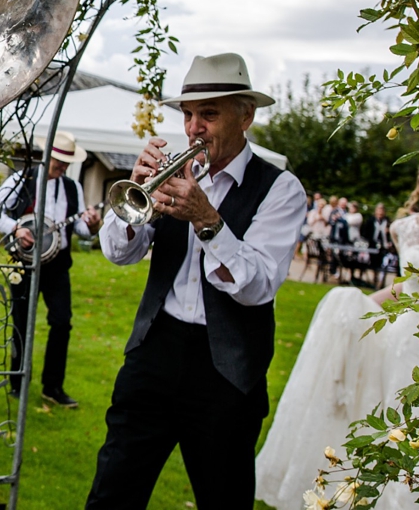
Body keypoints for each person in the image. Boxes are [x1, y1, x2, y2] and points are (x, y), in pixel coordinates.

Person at [86, 53, 306, 510]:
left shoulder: (280, 189)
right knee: (113, 490)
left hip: (225, 368)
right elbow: (118, 253)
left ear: (246, 116)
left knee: (223, 496)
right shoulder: (178, 169)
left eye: (208, 114)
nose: (192, 129)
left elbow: (258, 285)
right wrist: (136, 189)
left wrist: (207, 220)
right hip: (155, 349)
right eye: (188, 115)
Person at [255, 144, 419, 510]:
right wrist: (358, 309)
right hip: (403, 343)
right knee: (395, 430)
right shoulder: (403, 229)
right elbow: (408, 287)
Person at [0, 130, 102, 407]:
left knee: (62, 322)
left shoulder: (72, 187)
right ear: (46, 155)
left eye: (65, 162)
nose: (61, 166)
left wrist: (92, 225)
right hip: (24, 263)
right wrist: (15, 229)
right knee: (22, 323)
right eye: (58, 160)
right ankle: (17, 382)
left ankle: (53, 387)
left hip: (57, 264)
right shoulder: (22, 180)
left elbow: (81, 228)